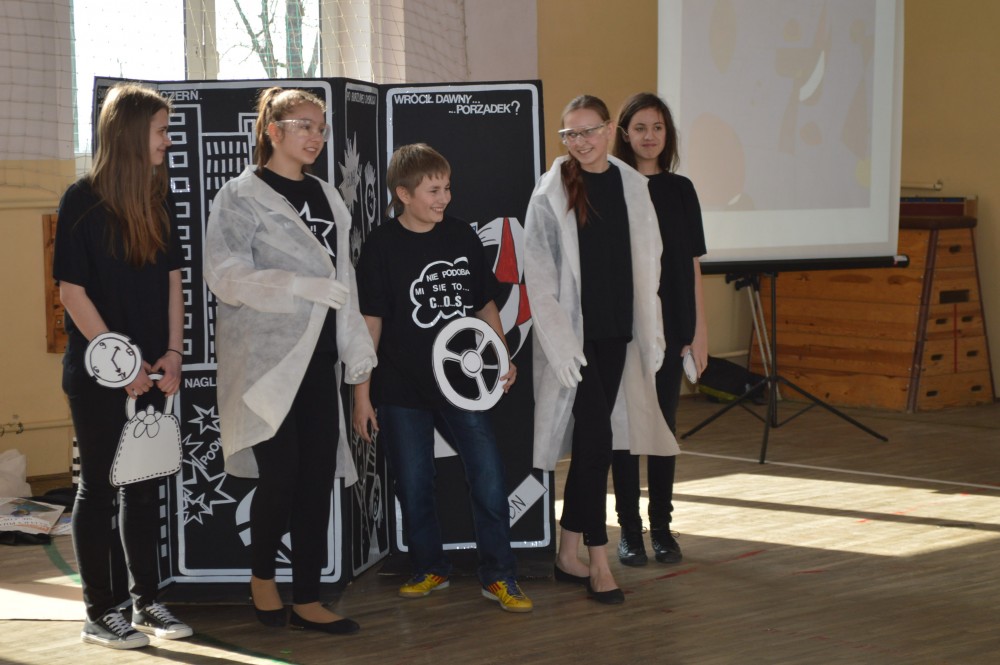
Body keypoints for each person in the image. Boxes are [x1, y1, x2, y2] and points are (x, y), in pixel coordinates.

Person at [203, 87, 376, 635]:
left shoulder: (327, 196)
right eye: (304, 126)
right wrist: (295, 285)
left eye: (321, 128)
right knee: (280, 475)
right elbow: (224, 273)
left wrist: (358, 368)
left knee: (316, 478)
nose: (316, 137)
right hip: (268, 366)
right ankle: (262, 579)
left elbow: (344, 283)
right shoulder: (241, 195)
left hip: (318, 361)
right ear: (272, 131)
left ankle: (307, 597)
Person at [352, 143, 532, 613]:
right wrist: (361, 395)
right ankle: (430, 567)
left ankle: (500, 575)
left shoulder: (461, 236)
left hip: (463, 385)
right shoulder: (381, 246)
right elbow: (371, 324)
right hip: (400, 389)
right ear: (403, 194)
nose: (445, 199)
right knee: (413, 485)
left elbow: (485, 303)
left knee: (488, 477)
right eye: (434, 190)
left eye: (447, 188)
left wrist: (500, 354)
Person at [524, 94, 679, 605]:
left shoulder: (632, 185)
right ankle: (597, 561)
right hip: (575, 341)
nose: (581, 142)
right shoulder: (550, 192)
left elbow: (650, 264)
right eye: (570, 134)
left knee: (596, 444)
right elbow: (538, 278)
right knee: (595, 444)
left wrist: (654, 332)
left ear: (611, 130)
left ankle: (567, 551)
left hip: (617, 335)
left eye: (589, 130)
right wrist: (560, 342)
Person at [54, 82, 193, 649]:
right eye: (161, 130)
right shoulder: (81, 200)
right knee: (99, 488)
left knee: (144, 487)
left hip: (153, 371)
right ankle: (101, 612)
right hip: (99, 377)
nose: (167, 140)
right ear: (133, 134)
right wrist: (121, 364)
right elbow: (72, 292)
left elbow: (173, 282)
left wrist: (174, 353)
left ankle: (146, 600)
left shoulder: (160, 199)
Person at [611, 92, 708, 567]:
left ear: (667, 135)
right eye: (640, 128)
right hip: (624, 326)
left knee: (664, 427)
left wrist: (700, 332)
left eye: (658, 128)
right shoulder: (613, 186)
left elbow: (692, 266)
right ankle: (630, 530)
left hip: (673, 327)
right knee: (627, 429)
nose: (649, 136)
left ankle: (663, 528)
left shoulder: (681, 189)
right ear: (624, 134)